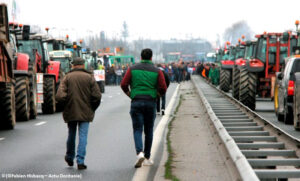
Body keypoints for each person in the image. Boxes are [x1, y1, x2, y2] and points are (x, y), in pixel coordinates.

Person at [121, 48, 167, 168]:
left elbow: (123, 84)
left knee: (137, 129)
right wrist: (156, 95)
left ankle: (139, 152)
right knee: (149, 130)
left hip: (136, 101)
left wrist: (130, 94)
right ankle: (147, 157)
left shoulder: (132, 69)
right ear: (151, 57)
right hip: (150, 102)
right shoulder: (157, 71)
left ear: (141, 57)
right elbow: (163, 87)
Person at [56, 57, 102, 170]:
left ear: (73, 65)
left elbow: (59, 96)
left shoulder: (67, 77)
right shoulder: (89, 77)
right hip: (86, 112)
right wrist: (92, 108)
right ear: (83, 65)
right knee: (83, 136)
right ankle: (80, 161)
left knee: (71, 134)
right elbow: (97, 96)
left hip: (71, 111)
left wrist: (65, 107)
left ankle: (69, 157)